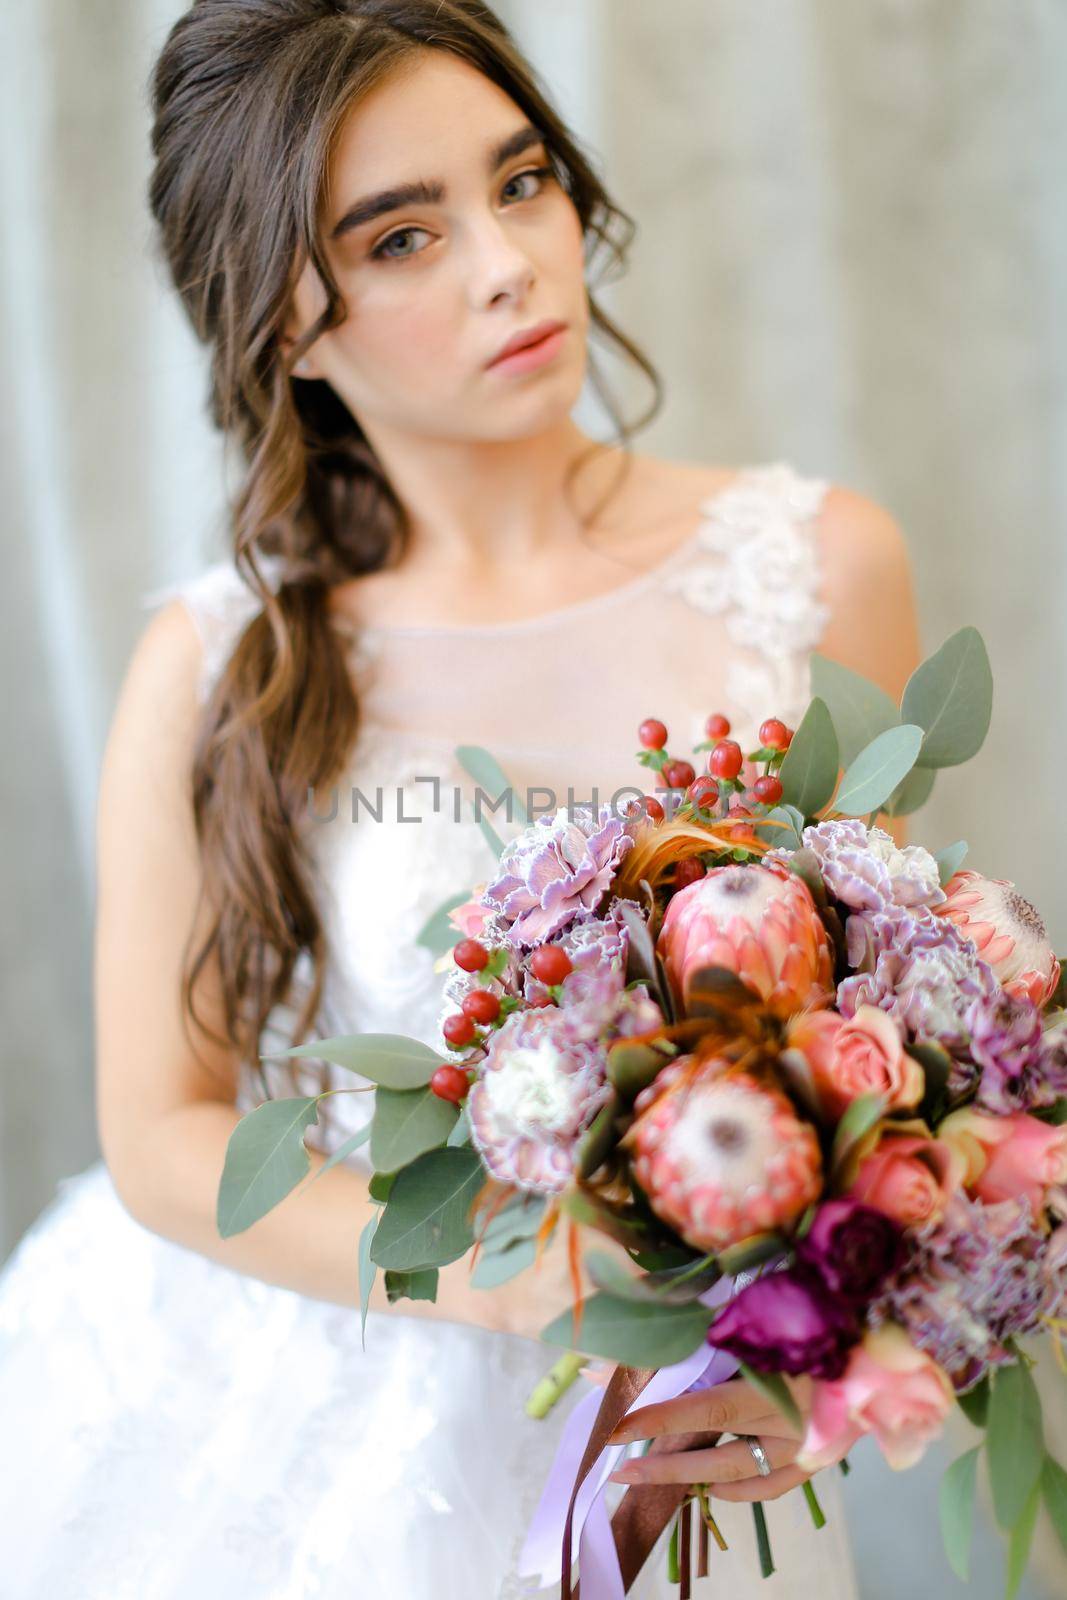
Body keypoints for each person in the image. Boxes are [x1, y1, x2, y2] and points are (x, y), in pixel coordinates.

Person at [0, 3, 923, 1594]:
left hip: (672, 1418)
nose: (508, 263)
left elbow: (888, 1048)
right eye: (405, 236)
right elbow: (163, 1135)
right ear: (283, 320)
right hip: (306, 1375)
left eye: (520, 183)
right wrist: (500, 1277)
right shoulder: (217, 661)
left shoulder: (822, 566)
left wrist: (810, 1343)